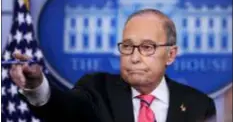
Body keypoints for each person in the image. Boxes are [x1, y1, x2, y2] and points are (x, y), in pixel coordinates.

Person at [10, 9, 216, 122]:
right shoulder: (96, 89)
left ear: (170, 55)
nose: (134, 57)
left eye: (147, 47)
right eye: (127, 46)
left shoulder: (199, 105)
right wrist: (37, 87)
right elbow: (65, 108)